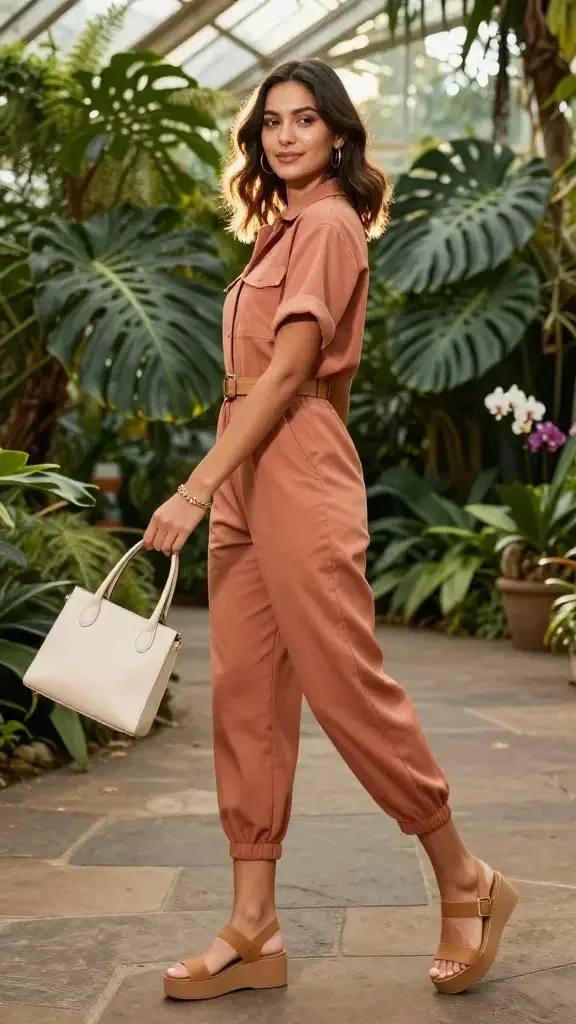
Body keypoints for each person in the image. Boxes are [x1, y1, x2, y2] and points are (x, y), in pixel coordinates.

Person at [143, 57, 518, 1002]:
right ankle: (253, 926)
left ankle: (464, 878)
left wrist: (192, 488)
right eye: (271, 121)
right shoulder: (277, 232)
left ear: (339, 135)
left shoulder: (329, 224)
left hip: (296, 462)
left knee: (344, 684)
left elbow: (291, 370)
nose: (285, 134)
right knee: (246, 701)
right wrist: (222, 486)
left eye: (305, 119)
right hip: (249, 466)